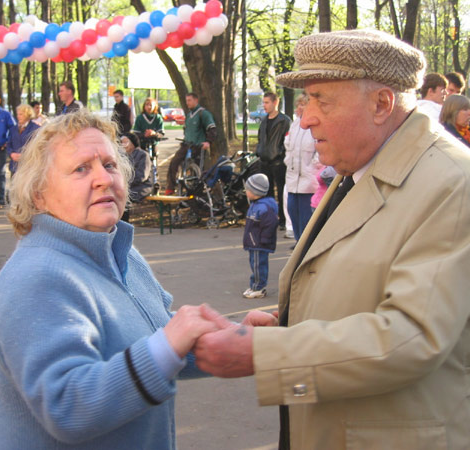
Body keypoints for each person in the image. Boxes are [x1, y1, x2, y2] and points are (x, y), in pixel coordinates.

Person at [194, 29, 470, 450]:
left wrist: (266, 353)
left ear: (381, 104)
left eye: (322, 99)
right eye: (305, 100)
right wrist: (284, 328)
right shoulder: (359, 167)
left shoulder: (453, 183)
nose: (305, 119)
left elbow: (412, 337)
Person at [0, 110, 241, 449]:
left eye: (109, 164)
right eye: (80, 169)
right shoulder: (37, 277)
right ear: (38, 194)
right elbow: (68, 406)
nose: (103, 179)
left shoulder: (118, 250)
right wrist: (168, 344)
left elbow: (154, 340)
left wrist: (231, 336)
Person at [165, 93, 216, 195]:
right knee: (174, 162)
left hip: (197, 146)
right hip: (186, 145)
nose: (187, 102)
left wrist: (208, 142)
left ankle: (196, 191)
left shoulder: (203, 114)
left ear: (196, 100)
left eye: (189, 100)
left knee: (197, 169)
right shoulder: (188, 115)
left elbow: (212, 129)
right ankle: (171, 187)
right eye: (186, 100)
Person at [284, 94, 319, 241]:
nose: (299, 107)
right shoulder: (294, 125)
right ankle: (299, 245)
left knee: (306, 220)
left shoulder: (315, 125)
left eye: (303, 104)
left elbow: (319, 150)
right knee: (293, 214)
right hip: (293, 180)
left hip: (308, 180)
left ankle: (304, 248)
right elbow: (288, 147)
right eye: (298, 104)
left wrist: (313, 167)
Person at [255, 91, 291, 229]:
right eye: (263, 102)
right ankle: (270, 218)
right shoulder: (264, 121)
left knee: (282, 191)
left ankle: (283, 219)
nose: (264, 105)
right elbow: (260, 138)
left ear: (275, 102)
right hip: (264, 161)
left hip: (278, 162)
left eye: (267, 102)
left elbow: (287, 140)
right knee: (267, 192)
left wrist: (279, 154)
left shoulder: (284, 121)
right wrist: (259, 150)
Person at [241, 173, 279, 299]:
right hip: (254, 242)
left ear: (255, 191)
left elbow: (270, 224)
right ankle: (254, 285)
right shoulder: (256, 205)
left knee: (258, 265)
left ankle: (259, 287)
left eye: (248, 189)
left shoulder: (263, 207)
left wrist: (264, 239)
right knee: (254, 263)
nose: (246, 191)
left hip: (259, 243)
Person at [120, 132, 153, 222]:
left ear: (133, 143)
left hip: (142, 186)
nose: (123, 145)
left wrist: (124, 182)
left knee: (124, 197)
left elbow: (142, 176)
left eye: (125, 142)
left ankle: (124, 225)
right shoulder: (122, 156)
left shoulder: (143, 155)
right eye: (121, 142)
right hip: (127, 185)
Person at [7, 104, 40, 175]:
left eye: (21, 114)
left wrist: (25, 155)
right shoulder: (13, 129)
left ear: (27, 115)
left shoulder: (35, 128)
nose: (18, 116)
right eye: (18, 114)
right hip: (15, 166)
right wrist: (11, 154)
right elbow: (9, 144)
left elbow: (37, 146)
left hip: (29, 166)